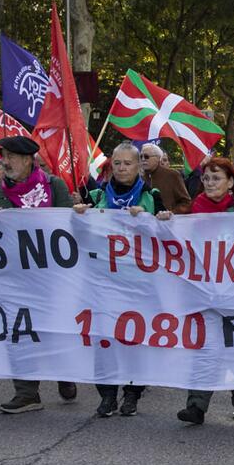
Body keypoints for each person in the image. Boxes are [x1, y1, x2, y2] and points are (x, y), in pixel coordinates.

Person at [156, 156, 234, 424]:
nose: (209, 183)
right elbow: (175, 241)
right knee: (205, 347)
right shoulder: (193, 211)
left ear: (230, 182)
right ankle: (196, 406)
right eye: (205, 178)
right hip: (204, 291)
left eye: (216, 178)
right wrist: (166, 220)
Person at [0, 134, 78, 410]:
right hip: (13, 276)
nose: (6, 161)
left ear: (27, 160)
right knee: (18, 331)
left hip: (51, 275)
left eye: (11, 157)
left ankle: (65, 373)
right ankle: (26, 391)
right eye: (4, 156)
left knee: (54, 328)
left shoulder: (54, 186)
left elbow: (68, 225)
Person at [76, 142, 159, 418]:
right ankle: (108, 395)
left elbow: (166, 234)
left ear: (139, 166)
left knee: (135, 339)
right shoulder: (98, 195)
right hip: (102, 281)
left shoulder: (151, 195)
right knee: (104, 338)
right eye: (118, 163)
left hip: (138, 282)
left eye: (128, 163)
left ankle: (133, 393)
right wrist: (80, 216)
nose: (122, 168)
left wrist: (150, 219)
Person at [137, 144, 194, 216]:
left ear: (158, 158)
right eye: (141, 156)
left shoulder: (172, 175)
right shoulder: (140, 178)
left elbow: (186, 203)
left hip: (168, 223)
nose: (143, 159)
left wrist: (171, 213)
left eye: (146, 156)